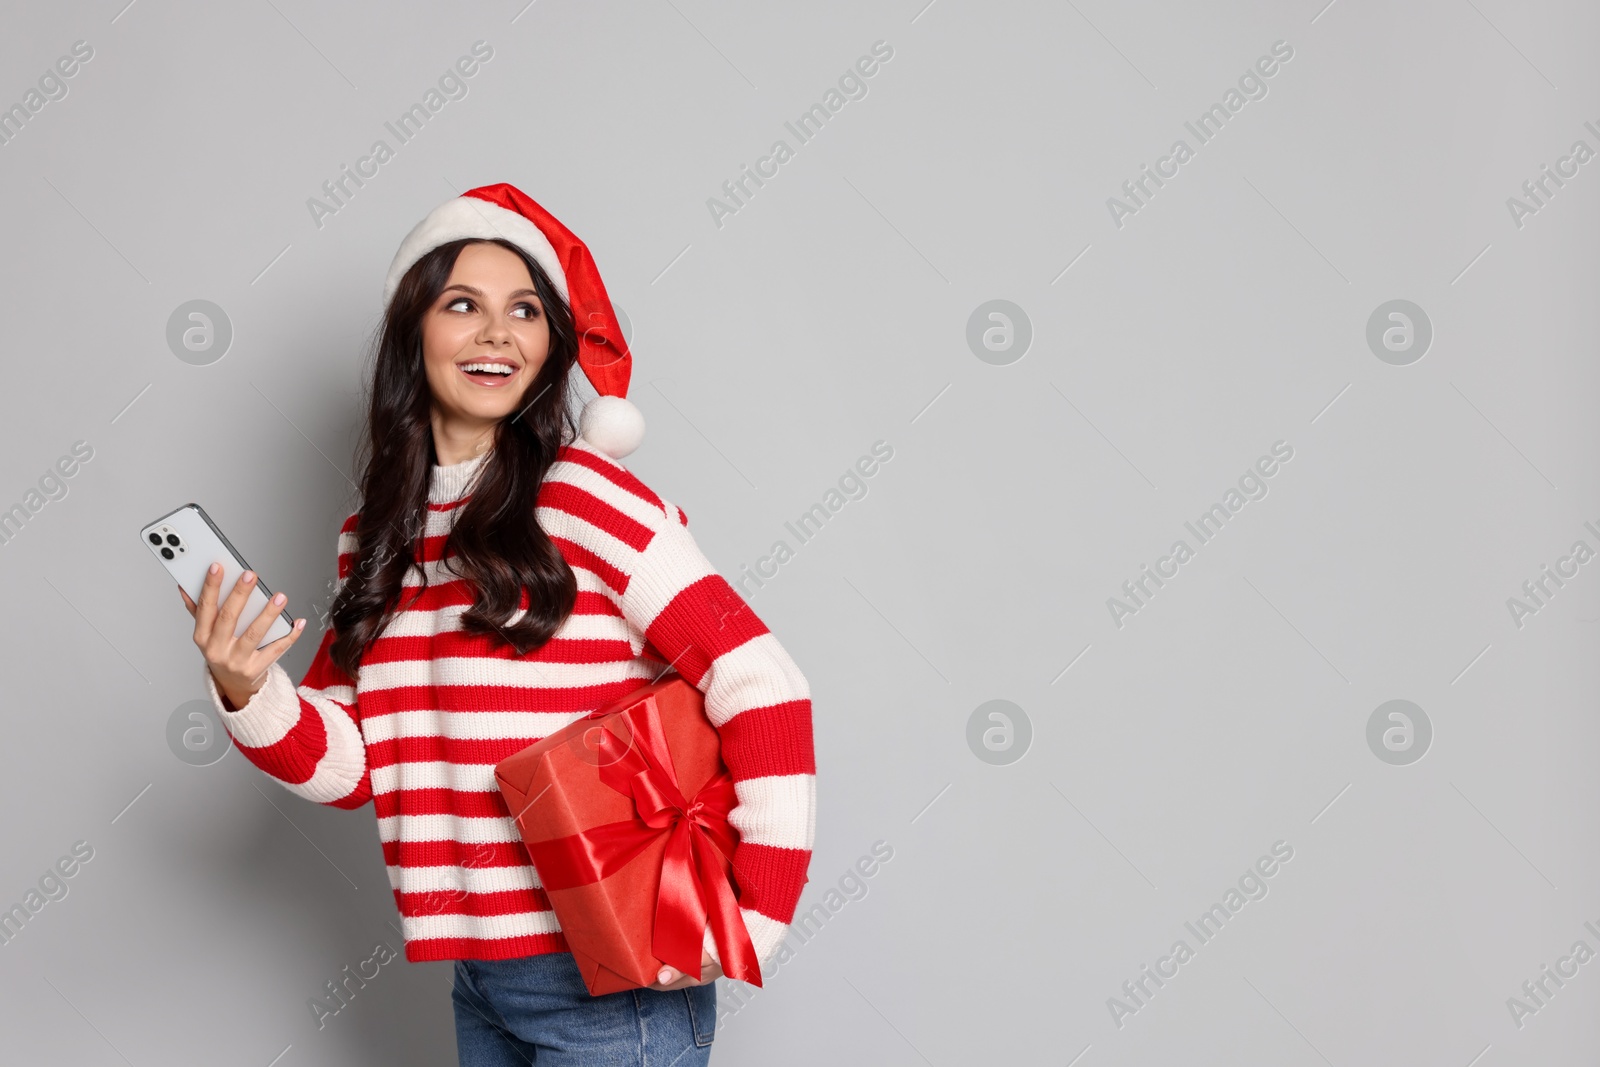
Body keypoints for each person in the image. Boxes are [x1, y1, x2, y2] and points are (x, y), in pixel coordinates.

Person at [178, 184, 816, 1065]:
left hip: (609, 982)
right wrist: (247, 688)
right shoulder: (375, 537)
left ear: (550, 343)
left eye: (524, 310)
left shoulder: (587, 497)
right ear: (414, 333)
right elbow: (357, 764)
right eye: (462, 305)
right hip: (480, 978)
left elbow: (764, 683)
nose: (496, 333)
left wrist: (758, 914)